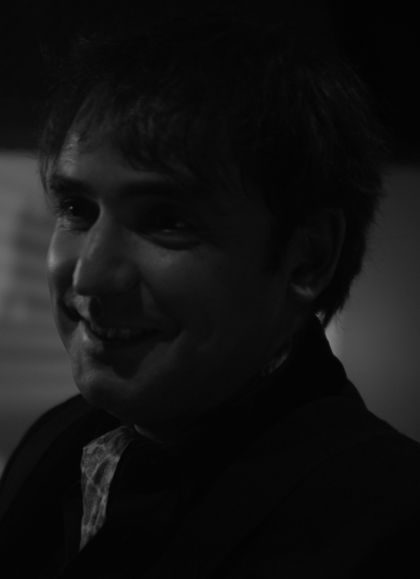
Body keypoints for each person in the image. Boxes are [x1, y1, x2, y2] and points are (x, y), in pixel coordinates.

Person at [1, 13, 420, 578]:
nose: (89, 277)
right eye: (77, 208)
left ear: (309, 258)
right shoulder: (55, 439)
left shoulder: (390, 523)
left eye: (166, 220)